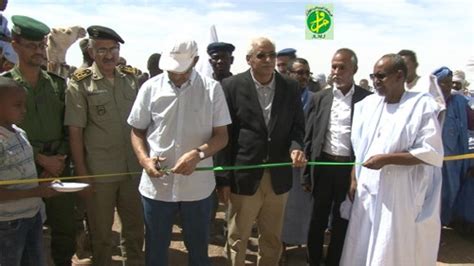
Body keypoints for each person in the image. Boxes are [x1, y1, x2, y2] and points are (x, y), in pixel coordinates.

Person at [128, 38, 231, 266]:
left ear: (195, 60)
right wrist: (145, 160)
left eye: (181, 69)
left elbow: (221, 136)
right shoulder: (150, 88)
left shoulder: (212, 89)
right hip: (157, 189)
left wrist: (198, 154)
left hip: (198, 188)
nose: (176, 75)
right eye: (171, 69)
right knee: (155, 250)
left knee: (198, 250)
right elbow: (136, 131)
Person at [340, 53, 443, 266]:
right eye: (373, 76)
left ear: (399, 76)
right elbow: (360, 149)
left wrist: (387, 159)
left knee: (389, 246)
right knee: (362, 241)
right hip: (368, 189)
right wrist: (353, 178)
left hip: (400, 194)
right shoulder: (369, 106)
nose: (375, 81)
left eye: (381, 76)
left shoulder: (420, 105)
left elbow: (430, 151)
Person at [215, 37, 306, 266]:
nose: (268, 60)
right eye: (261, 55)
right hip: (244, 178)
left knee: (272, 239)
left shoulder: (290, 87)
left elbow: (298, 128)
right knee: (238, 237)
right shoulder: (231, 86)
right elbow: (224, 136)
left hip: (278, 179)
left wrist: (296, 149)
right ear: (249, 60)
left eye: (272, 55)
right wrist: (223, 179)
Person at [65, 25, 144, 266]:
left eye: (113, 49)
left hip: (132, 170)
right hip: (101, 172)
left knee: (135, 230)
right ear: (91, 52)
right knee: (101, 234)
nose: (109, 55)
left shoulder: (133, 79)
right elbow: (75, 132)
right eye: (102, 50)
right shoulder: (80, 84)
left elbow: (144, 125)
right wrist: (82, 173)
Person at [4, 15, 76, 266]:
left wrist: (58, 160)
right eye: (31, 45)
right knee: (21, 229)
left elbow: (70, 127)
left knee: (65, 226)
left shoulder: (57, 85)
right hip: (21, 169)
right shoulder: (6, 87)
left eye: (41, 45)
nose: (38, 51)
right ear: (15, 45)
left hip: (58, 165)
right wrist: (40, 157)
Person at [304, 48, 371, 266]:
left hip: (348, 171)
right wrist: (307, 174)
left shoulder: (367, 100)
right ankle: (314, 260)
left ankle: (335, 260)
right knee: (317, 220)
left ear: (354, 69)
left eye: (342, 67)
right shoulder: (320, 97)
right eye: (334, 66)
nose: (336, 71)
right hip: (323, 167)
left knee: (342, 220)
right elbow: (310, 136)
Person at [0, 77, 62, 266]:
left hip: (32, 217)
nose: (24, 110)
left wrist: (41, 183)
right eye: (17, 105)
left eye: (24, 104)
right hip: (8, 224)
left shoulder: (20, 133)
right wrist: (37, 192)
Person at [280, 57, 315, 258]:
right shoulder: (280, 99)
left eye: (306, 73)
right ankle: (281, 247)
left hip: (306, 164)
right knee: (282, 209)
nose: (303, 77)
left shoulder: (315, 98)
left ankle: (305, 245)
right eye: (299, 72)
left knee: (304, 208)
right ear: (289, 74)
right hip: (284, 163)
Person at [432, 67, 473, 226]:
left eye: (449, 83)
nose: (447, 87)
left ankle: (444, 224)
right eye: (443, 83)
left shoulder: (460, 103)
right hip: (429, 161)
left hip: (452, 163)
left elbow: (471, 123)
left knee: (450, 194)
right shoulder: (425, 103)